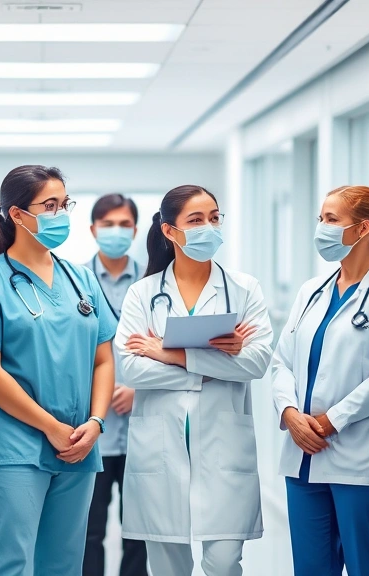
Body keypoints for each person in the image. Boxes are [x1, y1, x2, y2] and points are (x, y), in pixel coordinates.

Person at [0, 165, 116, 576]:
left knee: (63, 565)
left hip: (79, 442)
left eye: (65, 204)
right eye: (50, 205)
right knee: (11, 564)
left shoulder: (80, 280)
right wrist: (49, 425)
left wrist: (95, 422)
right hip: (14, 447)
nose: (60, 214)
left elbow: (103, 358)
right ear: (18, 215)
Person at [115, 185, 273, 576]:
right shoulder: (143, 293)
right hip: (160, 452)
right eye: (196, 220)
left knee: (222, 564)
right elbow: (131, 369)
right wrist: (215, 363)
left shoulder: (244, 289)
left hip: (223, 449)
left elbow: (255, 363)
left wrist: (172, 355)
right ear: (170, 231)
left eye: (215, 218)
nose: (209, 227)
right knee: (168, 568)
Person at [272, 186, 369, 576]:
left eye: (331, 219)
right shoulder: (310, 292)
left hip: (360, 459)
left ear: (363, 228)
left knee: (364, 566)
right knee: (311, 569)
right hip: (303, 456)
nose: (321, 227)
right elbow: (281, 362)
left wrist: (329, 420)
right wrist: (289, 413)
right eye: (321, 218)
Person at [82, 193, 149, 576]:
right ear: (92, 230)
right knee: (87, 531)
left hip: (144, 426)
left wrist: (141, 389)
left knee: (138, 531)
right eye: (107, 224)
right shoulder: (75, 281)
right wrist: (100, 395)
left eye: (124, 225)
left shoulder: (154, 283)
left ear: (136, 230)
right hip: (94, 427)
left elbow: (172, 347)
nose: (116, 232)